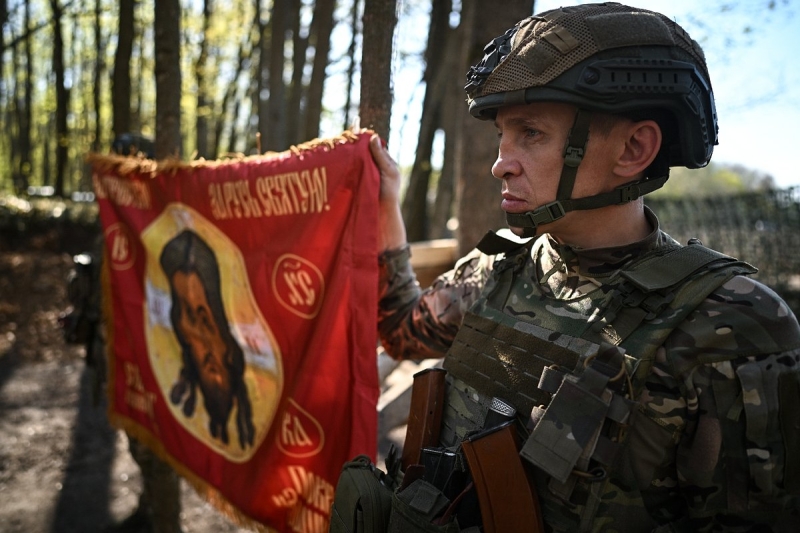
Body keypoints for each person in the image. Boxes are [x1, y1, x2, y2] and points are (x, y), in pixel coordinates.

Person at [366, 3, 800, 532]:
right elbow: (400, 333)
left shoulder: (732, 324)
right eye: (502, 135)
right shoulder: (493, 269)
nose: (500, 162)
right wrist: (386, 201)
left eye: (531, 133)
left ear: (634, 149)